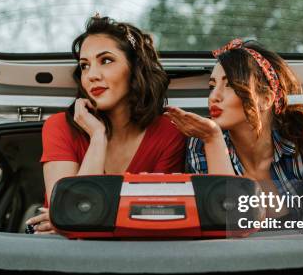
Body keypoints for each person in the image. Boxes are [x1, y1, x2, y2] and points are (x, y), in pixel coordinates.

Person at [27, 15, 185, 233]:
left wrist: (79, 215)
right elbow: (70, 215)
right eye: (84, 66)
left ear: (135, 67)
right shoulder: (59, 127)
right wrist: (98, 136)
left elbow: (161, 219)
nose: (91, 75)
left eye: (106, 60)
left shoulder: (168, 132)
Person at [165, 38, 303, 222]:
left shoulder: (299, 142)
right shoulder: (202, 142)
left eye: (229, 85)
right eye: (212, 86)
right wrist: (213, 139)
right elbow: (230, 222)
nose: (214, 96)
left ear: (266, 99)